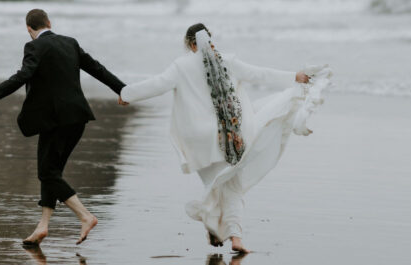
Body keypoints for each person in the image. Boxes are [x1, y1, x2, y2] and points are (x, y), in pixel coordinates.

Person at [119, 23, 332, 253]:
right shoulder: (227, 60)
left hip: (199, 140)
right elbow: (259, 73)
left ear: (191, 45)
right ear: (209, 41)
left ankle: (215, 227)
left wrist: (126, 94)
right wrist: (294, 76)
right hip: (230, 136)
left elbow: (157, 85)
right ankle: (234, 237)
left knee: (217, 184)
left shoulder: (180, 66)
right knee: (232, 185)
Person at [0, 8, 126, 246]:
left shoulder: (34, 47)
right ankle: (43, 226)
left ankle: (85, 216)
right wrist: (122, 90)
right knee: (51, 172)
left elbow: (23, 75)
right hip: (77, 118)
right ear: (49, 22)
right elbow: (97, 69)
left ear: (29, 30)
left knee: (47, 173)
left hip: (54, 122)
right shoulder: (70, 42)